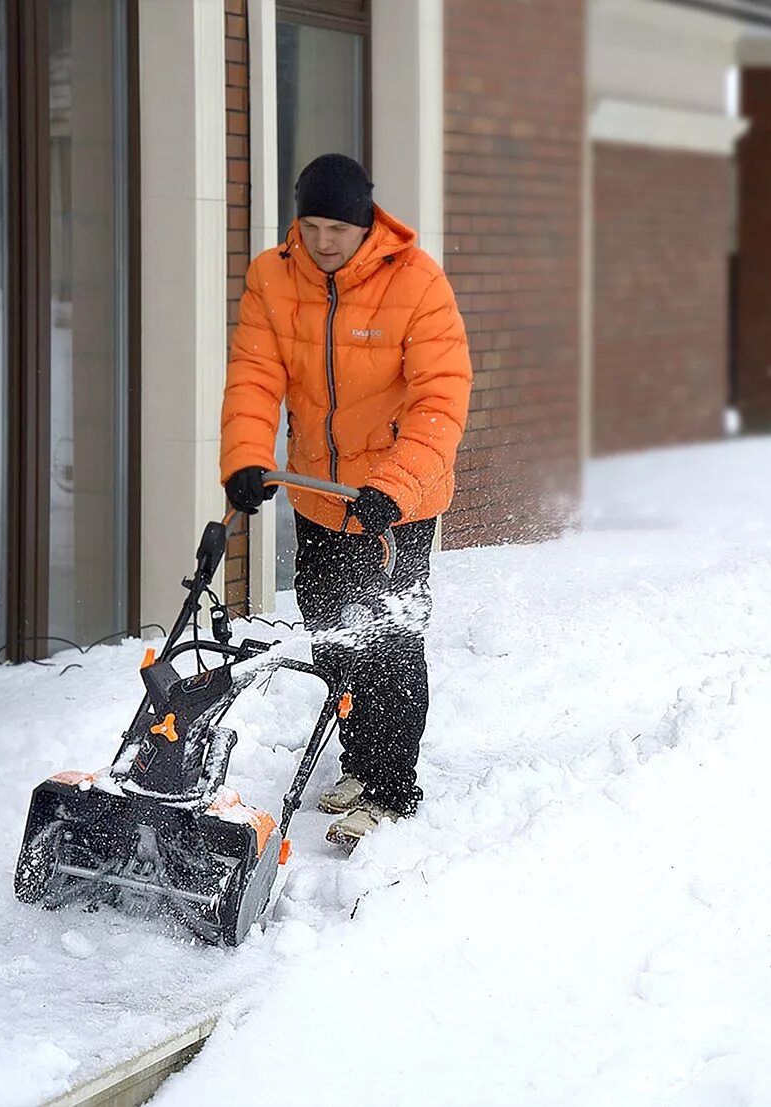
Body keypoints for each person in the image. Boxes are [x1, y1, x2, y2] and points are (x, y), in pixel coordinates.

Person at [219, 153, 471, 846]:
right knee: (334, 633)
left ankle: (391, 787)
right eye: (312, 225)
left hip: (398, 501)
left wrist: (392, 485)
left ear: (366, 224)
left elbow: (441, 399)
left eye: (339, 227)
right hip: (319, 495)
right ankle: (360, 761)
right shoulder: (274, 276)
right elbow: (253, 374)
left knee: (389, 638)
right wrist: (245, 458)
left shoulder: (416, 283)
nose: (324, 241)